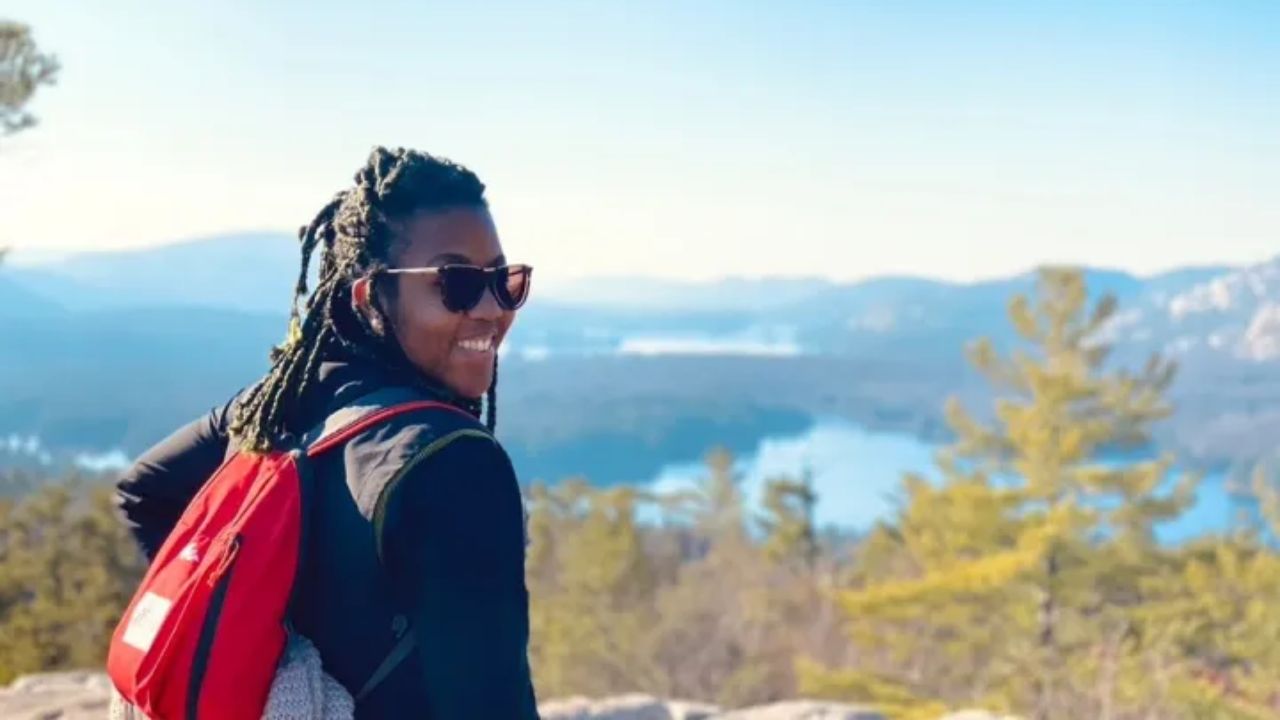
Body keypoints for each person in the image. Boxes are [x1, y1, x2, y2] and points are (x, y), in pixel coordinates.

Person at [113, 147, 540, 718]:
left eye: (504, 280)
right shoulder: (455, 464)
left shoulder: (275, 408)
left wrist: (259, 654)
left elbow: (145, 491)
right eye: (457, 283)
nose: (492, 309)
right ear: (370, 297)